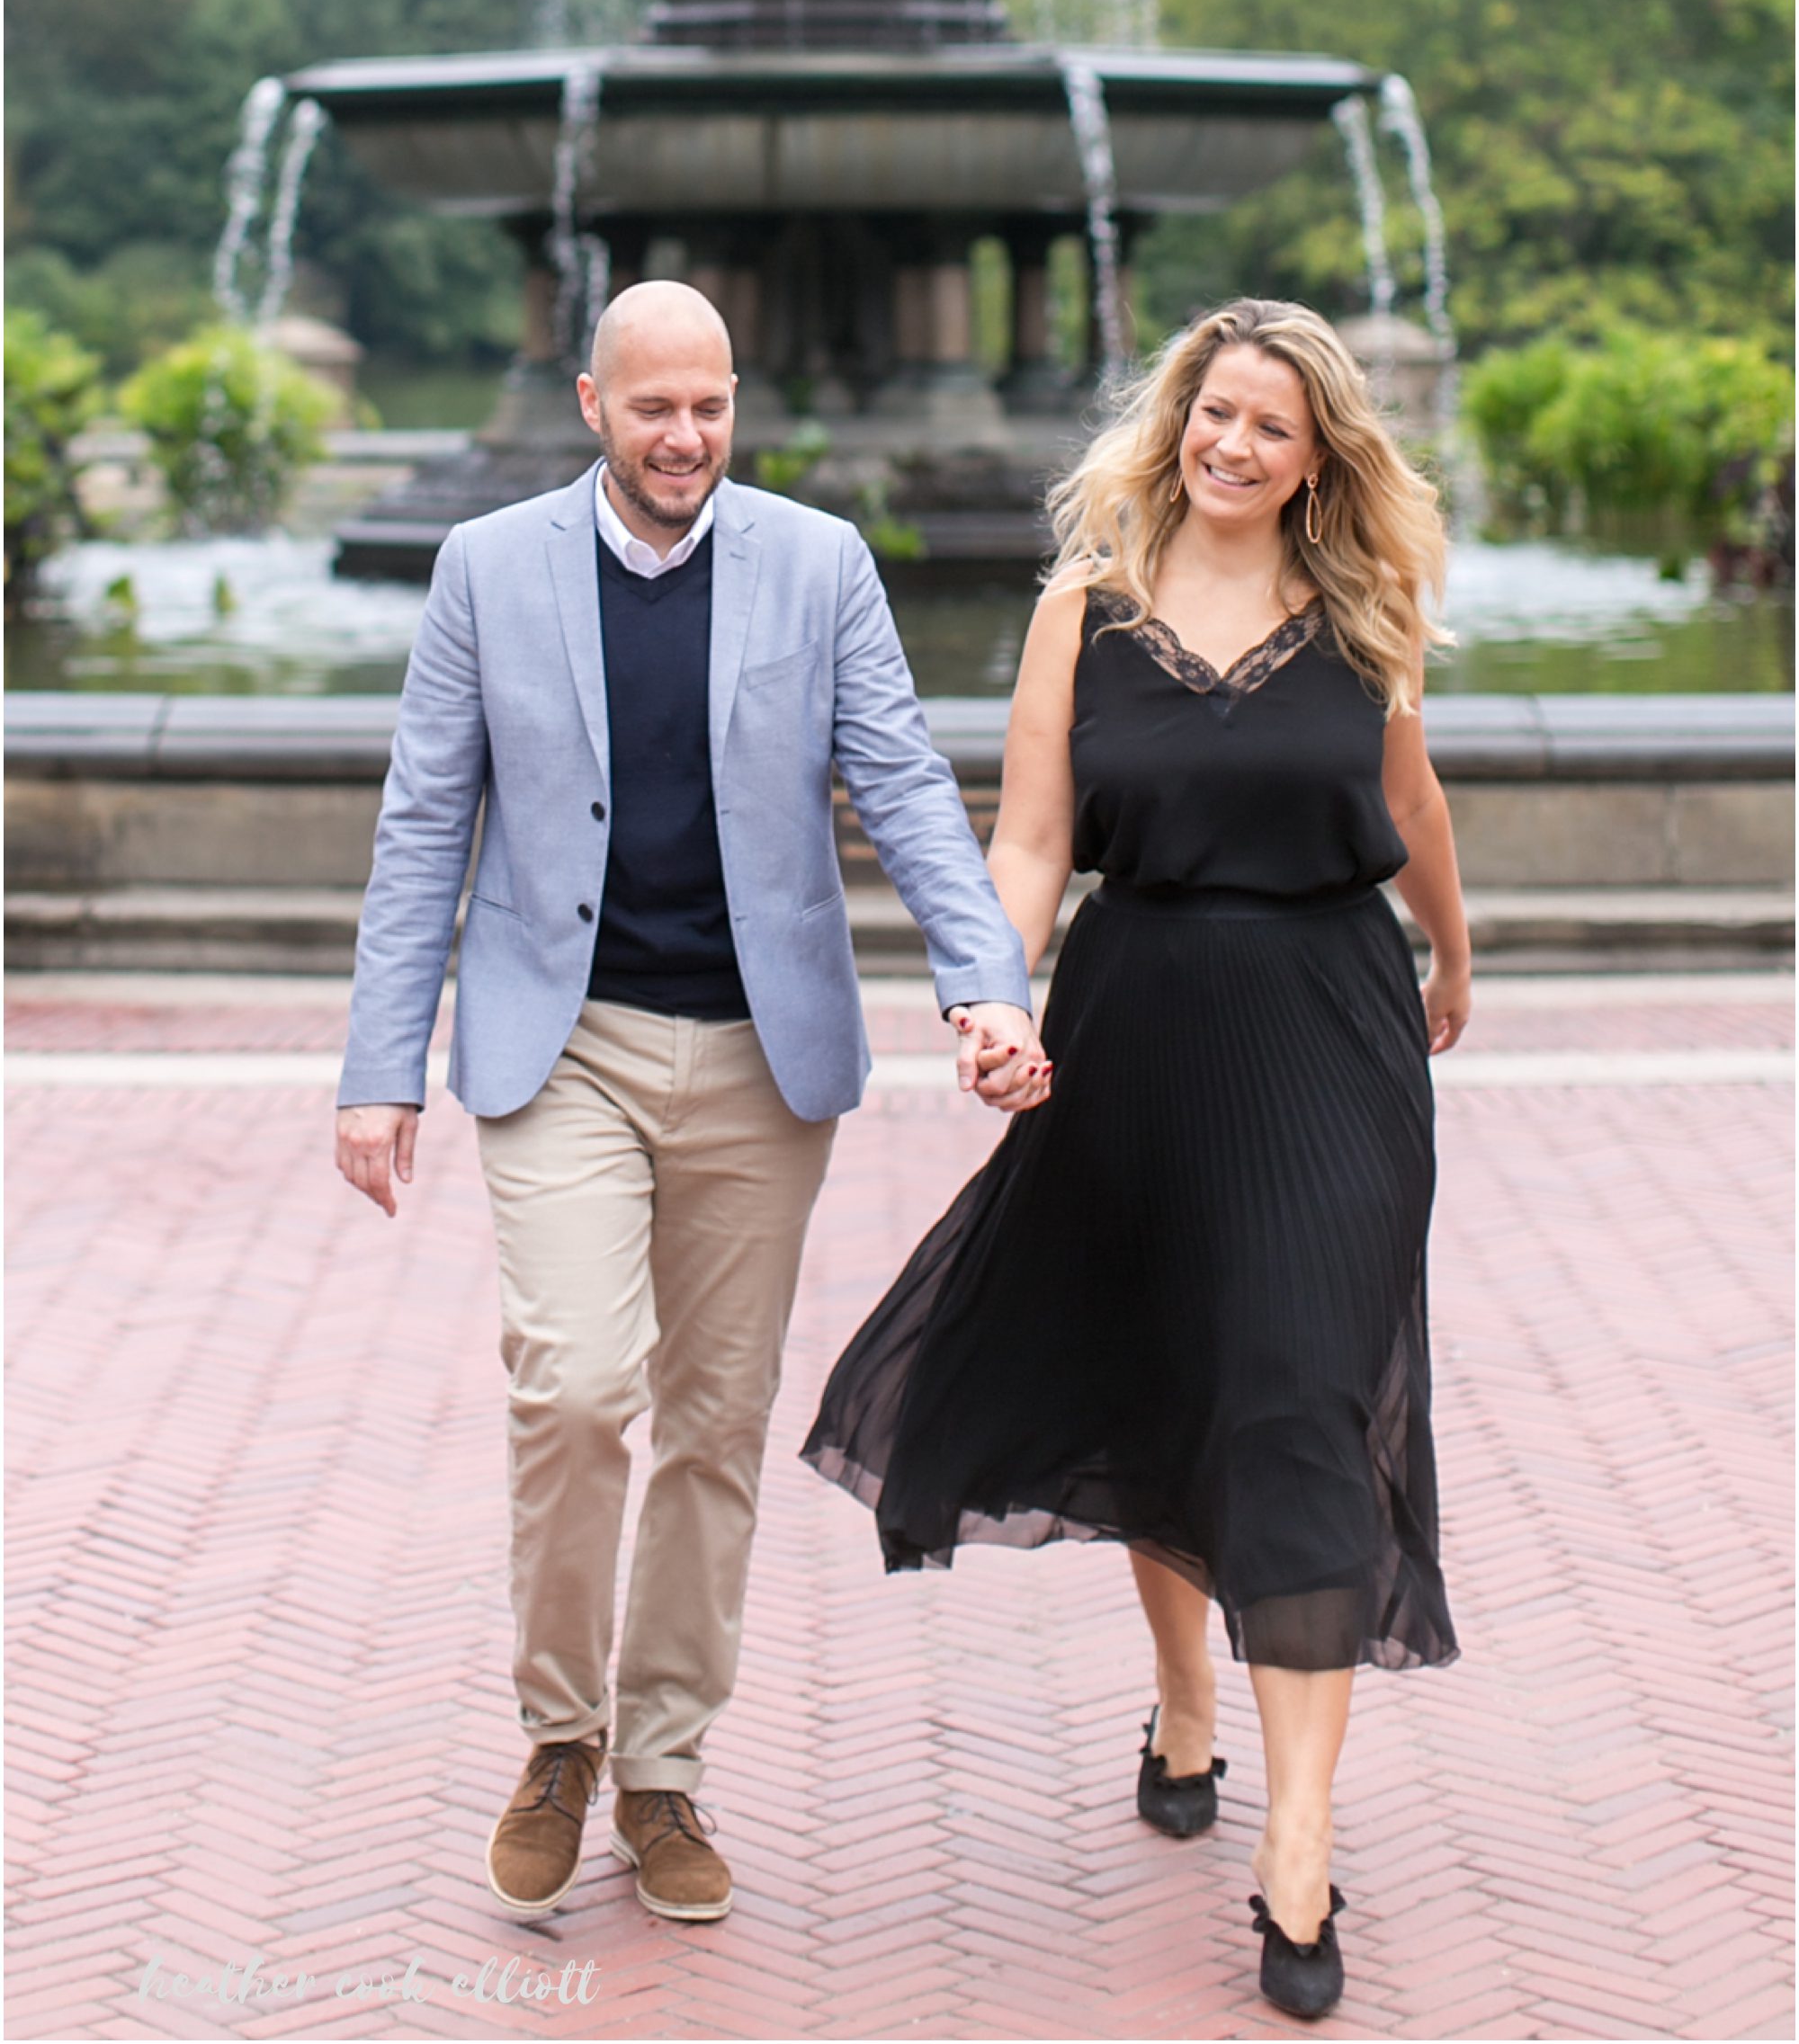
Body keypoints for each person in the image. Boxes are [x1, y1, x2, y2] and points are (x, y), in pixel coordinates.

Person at [336, 281, 1043, 1927]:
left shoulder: (819, 564)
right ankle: (558, 1733)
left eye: (710, 406)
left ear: (739, 403)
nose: (685, 437)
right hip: (559, 1041)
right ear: (592, 402)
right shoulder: (487, 569)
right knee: (577, 1391)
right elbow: (423, 824)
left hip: (756, 1056)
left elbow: (909, 789)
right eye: (653, 407)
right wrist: (382, 1069)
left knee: (715, 1426)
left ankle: (662, 1769)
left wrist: (986, 979)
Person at [803, 297, 1471, 2022]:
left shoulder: (1365, 610)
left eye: (1269, 424)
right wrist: (989, 1001)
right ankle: (1186, 1692)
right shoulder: (1080, 614)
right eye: (1211, 412)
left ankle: (1300, 1842)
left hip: (1334, 1031)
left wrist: (1454, 955)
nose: (1230, 444)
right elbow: (1030, 835)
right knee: (1175, 1382)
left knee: (1300, 1397)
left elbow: (1411, 805)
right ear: (1175, 420)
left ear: (1319, 453)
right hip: (1136, 1028)